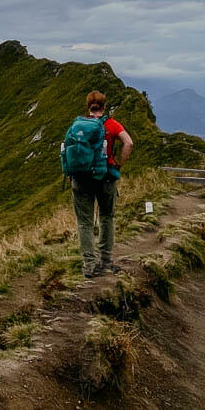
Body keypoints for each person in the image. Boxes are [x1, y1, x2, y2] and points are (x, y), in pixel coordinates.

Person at [71, 90, 133, 278]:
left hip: (81, 179)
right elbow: (129, 143)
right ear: (104, 107)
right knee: (107, 217)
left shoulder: (78, 124)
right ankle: (106, 260)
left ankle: (89, 264)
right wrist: (118, 165)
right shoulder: (111, 124)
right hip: (105, 177)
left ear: (88, 107)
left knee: (85, 222)